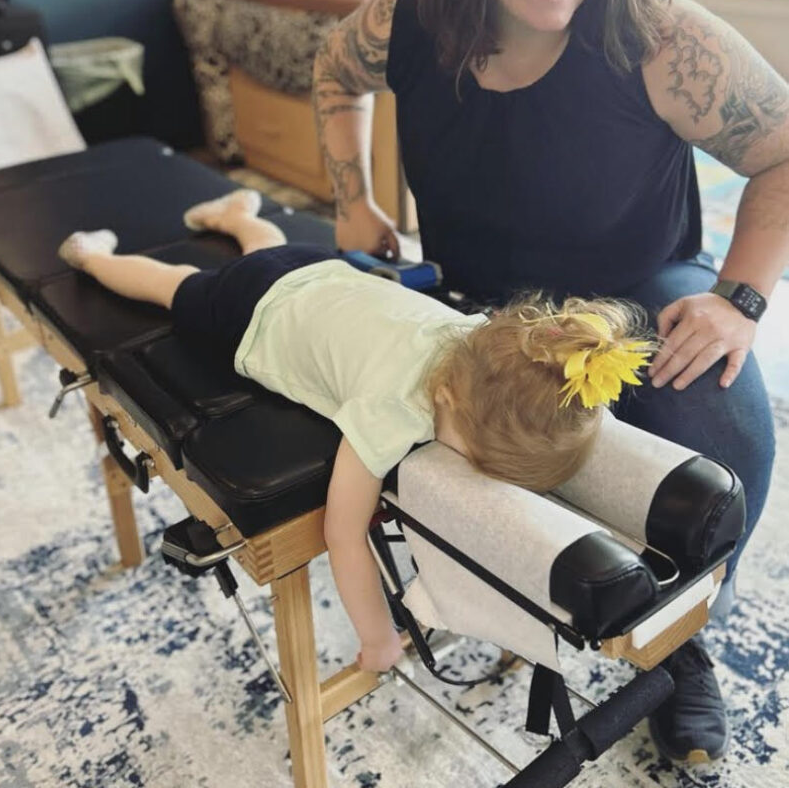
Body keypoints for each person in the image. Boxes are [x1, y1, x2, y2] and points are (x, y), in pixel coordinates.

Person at [312, 0, 789, 765]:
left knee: (722, 431)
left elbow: (781, 148)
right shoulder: (407, 22)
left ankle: (680, 647)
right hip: (472, 306)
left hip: (634, 296)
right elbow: (331, 68)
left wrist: (740, 298)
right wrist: (348, 200)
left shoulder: (655, 35)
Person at [57, 186, 653, 674]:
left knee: (268, 248)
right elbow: (342, 534)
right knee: (175, 283)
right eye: (475, 457)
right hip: (249, 311)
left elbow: (537, 392)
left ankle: (237, 215)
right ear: (443, 399)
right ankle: (94, 258)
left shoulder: (486, 340)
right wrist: (378, 639)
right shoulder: (391, 406)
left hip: (320, 270)